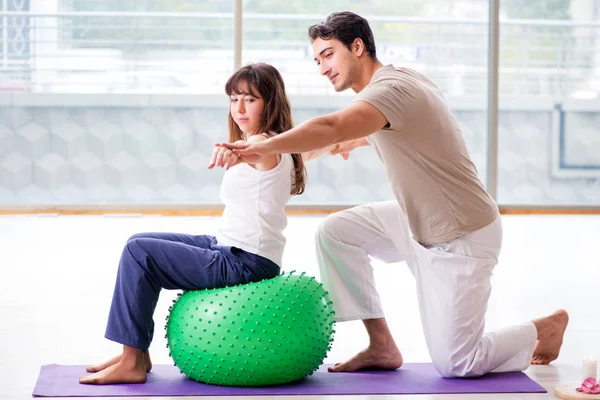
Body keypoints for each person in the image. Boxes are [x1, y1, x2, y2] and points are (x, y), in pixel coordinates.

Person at [216, 12, 569, 378]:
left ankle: (545, 328)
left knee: (458, 363)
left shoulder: (391, 90)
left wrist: (266, 145)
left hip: (460, 233)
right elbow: (348, 135)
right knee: (336, 233)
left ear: (357, 47)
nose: (323, 68)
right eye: (317, 59)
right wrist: (274, 154)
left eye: (329, 54)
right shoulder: (393, 85)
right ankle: (381, 344)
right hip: (416, 218)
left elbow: (333, 126)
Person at [79, 62, 311, 385]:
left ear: (269, 103)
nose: (239, 109)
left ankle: (131, 362)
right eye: (234, 99)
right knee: (138, 241)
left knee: (138, 253)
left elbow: (252, 151)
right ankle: (137, 353)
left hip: (244, 262)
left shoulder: (265, 147)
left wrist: (232, 151)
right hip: (228, 246)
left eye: (250, 99)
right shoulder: (275, 143)